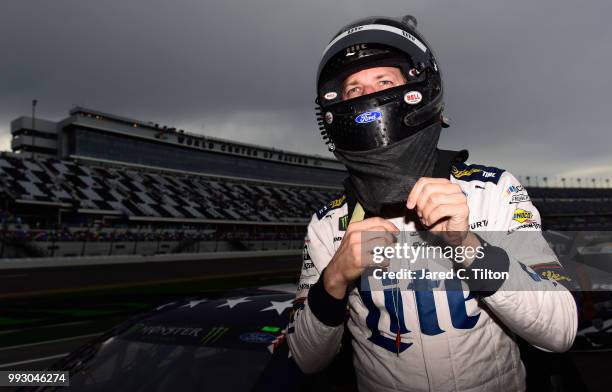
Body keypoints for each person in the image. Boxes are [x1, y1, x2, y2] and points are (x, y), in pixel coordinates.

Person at [287, 15, 577, 392]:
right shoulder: (328, 224)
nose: (367, 97)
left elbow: (561, 330)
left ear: (420, 89)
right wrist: (335, 279)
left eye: (384, 81)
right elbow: (307, 360)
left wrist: (469, 247)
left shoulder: (492, 191)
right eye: (352, 89)